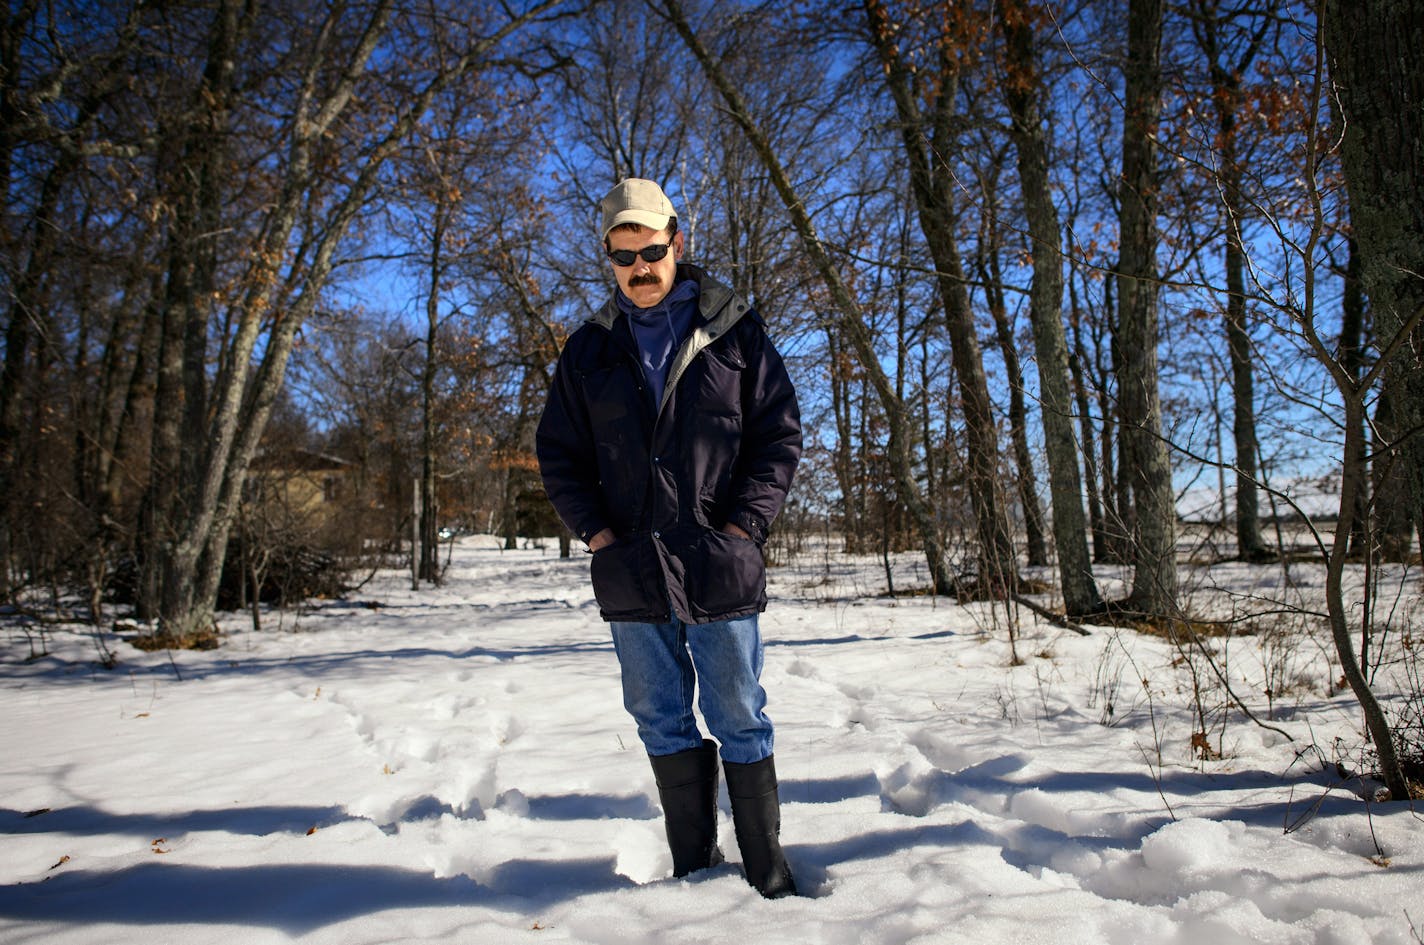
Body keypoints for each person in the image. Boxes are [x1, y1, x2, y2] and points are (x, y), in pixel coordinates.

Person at [535, 178, 802, 898]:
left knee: (740, 714)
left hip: (718, 563)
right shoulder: (588, 350)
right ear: (608, 259)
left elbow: (778, 435)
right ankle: (694, 872)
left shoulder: (734, 330)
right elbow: (559, 455)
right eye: (624, 257)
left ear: (677, 243)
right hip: (632, 569)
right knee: (658, 717)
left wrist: (744, 527)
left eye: (652, 250)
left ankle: (767, 874)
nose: (641, 268)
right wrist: (597, 534)